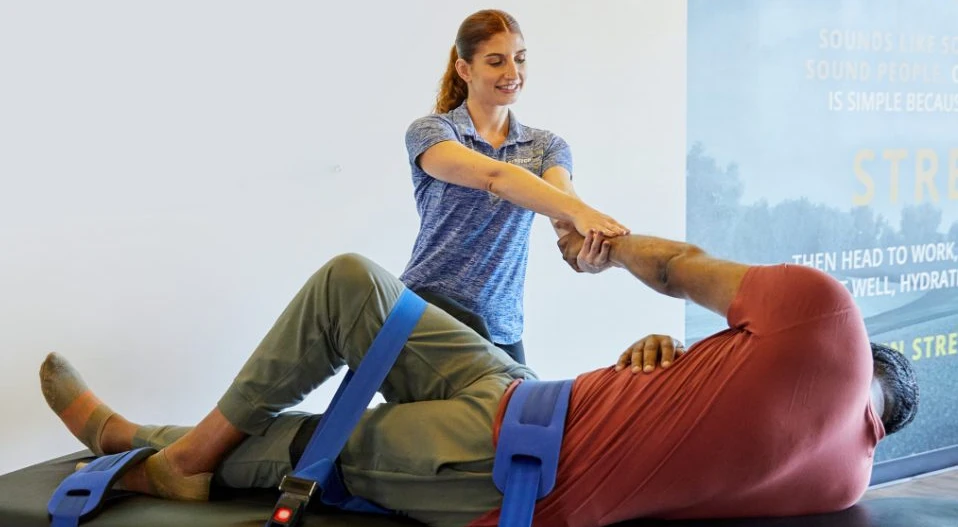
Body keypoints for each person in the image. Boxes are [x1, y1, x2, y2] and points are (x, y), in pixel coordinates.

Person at [40, 229, 919, 527]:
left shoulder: (826, 317)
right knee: (358, 285)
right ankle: (176, 446)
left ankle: (154, 449)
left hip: (504, 472)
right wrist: (668, 359)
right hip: (524, 393)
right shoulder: (845, 478)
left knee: (321, 439)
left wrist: (601, 250)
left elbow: (680, 264)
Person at [399, 9, 630, 363]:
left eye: (520, 60)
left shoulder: (545, 147)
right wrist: (582, 212)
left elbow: (564, 216)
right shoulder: (432, 132)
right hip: (424, 314)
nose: (513, 73)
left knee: (513, 418)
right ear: (465, 70)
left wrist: (588, 256)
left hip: (500, 328)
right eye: (496, 62)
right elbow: (497, 178)